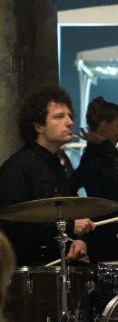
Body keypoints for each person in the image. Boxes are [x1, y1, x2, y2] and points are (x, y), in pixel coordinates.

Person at [0, 86, 94, 266]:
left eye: (70, 116)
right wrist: (70, 226)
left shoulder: (57, 165)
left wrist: (78, 240)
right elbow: (11, 224)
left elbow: (71, 211)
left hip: (58, 265)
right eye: (59, 116)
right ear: (39, 126)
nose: (69, 122)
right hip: (30, 270)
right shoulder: (18, 167)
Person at [72, 96, 118, 262]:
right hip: (103, 233)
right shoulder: (95, 155)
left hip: (109, 229)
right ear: (104, 125)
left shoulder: (97, 152)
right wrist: (105, 144)